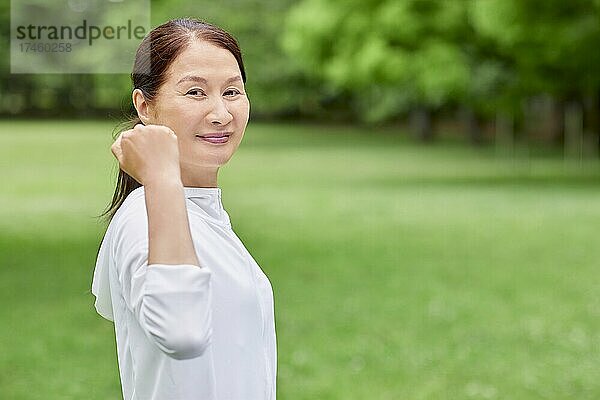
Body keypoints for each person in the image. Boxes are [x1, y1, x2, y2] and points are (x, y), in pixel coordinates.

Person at [91, 18, 277, 400]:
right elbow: (182, 332)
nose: (221, 114)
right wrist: (160, 179)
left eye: (232, 92)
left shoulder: (202, 214)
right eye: (195, 92)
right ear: (145, 105)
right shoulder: (146, 217)